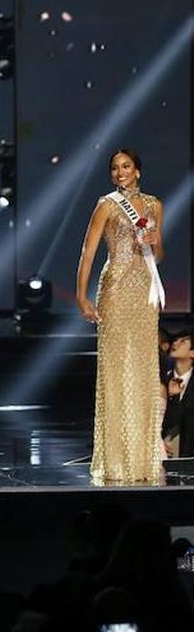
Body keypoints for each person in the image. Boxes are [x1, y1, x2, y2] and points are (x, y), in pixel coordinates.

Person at [75, 148, 165, 485]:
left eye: (126, 166)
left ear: (137, 171)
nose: (120, 172)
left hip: (144, 292)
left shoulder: (155, 206)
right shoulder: (107, 205)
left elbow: (159, 254)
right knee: (116, 370)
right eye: (115, 168)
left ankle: (142, 460)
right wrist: (81, 295)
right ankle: (115, 462)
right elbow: (88, 251)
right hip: (115, 288)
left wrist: (155, 242)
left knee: (143, 369)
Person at [161, 327, 192, 458]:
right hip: (164, 456)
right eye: (175, 340)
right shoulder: (162, 380)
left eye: (183, 341)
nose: (175, 343)